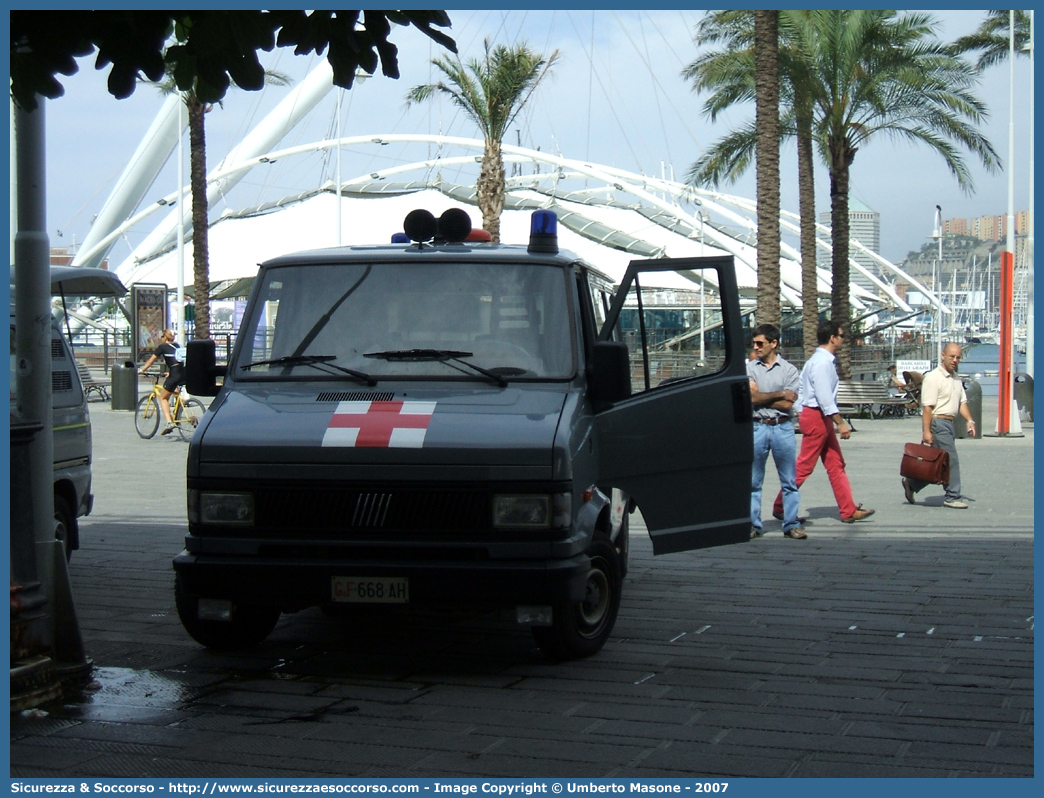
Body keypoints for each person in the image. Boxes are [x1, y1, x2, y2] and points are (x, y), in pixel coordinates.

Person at [772, 320, 875, 524]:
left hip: (816, 415)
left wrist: (801, 411)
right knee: (805, 465)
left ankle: (848, 509)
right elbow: (824, 396)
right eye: (842, 336)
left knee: (835, 463)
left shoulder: (818, 361)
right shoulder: (822, 363)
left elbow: (802, 389)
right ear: (832, 338)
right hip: (818, 416)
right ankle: (780, 505)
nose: (843, 340)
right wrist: (840, 422)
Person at [747, 324, 805, 539]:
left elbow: (788, 404)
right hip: (757, 427)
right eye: (754, 343)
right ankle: (753, 524)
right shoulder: (750, 368)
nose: (756, 347)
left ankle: (791, 524)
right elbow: (751, 399)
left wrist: (763, 397)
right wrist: (779, 394)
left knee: (789, 480)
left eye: (760, 343)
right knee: (753, 481)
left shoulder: (789, 369)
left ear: (774, 343)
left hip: (782, 427)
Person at [902, 342, 975, 509]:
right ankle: (952, 496)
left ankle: (912, 484)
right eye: (952, 357)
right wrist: (926, 431)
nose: (955, 360)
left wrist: (970, 420)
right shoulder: (933, 378)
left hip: (950, 423)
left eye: (958, 357)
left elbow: (962, 402)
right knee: (951, 460)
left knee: (937, 462)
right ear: (943, 356)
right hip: (938, 422)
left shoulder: (956, 378)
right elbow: (927, 408)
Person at [139, 328, 185, 435]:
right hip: (183, 373)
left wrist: (142, 370)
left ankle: (169, 422)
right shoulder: (177, 346)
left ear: (164, 337)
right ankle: (183, 411)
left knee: (162, 397)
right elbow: (177, 362)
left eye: (162, 337)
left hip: (175, 374)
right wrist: (170, 372)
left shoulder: (162, 347)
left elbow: (151, 360)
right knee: (175, 392)